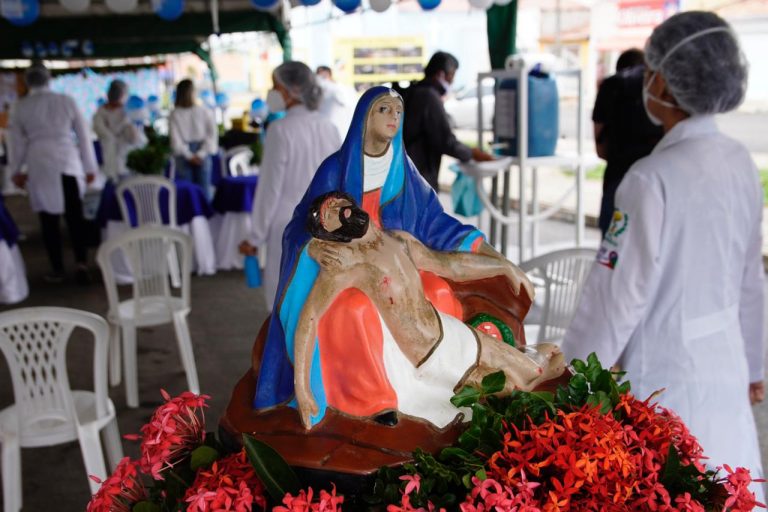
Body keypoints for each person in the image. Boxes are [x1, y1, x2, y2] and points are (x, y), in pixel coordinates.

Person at [562, 11, 764, 499]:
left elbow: (616, 298)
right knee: (731, 489)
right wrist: (757, 364)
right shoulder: (740, 162)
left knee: (669, 489)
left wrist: (570, 377)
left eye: (652, 71)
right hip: (726, 364)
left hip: (664, 373)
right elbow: (750, 278)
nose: (646, 81)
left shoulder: (649, 180)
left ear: (667, 86)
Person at [251, 86, 533, 427]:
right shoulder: (336, 169)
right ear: (365, 117)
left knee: (439, 290)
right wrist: (312, 246)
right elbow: (302, 225)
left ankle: (454, 382)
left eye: (398, 110)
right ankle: (373, 399)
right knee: (354, 310)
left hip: (398, 260)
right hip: (360, 267)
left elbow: (436, 224)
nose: (394, 117)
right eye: (384, 109)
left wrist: (497, 259)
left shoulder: (403, 171)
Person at [294, 191, 562, 429]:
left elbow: (451, 266)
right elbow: (309, 318)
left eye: (339, 202)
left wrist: (502, 266)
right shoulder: (347, 265)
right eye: (329, 213)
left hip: (449, 330)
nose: (339, 208)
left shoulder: (400, 240)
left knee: (529, 371)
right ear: (329, 232)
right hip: (431, 354)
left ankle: (535, 363)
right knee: (512, 388)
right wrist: (303, 390)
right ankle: (538, 372)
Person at [238, 61, 341, 312]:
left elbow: (269, 189)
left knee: (286, 303)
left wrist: (255, 237)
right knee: (319, 303)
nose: (272, 92)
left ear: (291, 90)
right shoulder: (329, 127)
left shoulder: (280, 129)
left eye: (276, 86)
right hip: (325, 224)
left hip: (287, 226)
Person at [6, 63, 99, 284]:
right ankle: (81, 263)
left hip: (39, 164)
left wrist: (16, 170)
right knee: (75, 217)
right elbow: (84, 136)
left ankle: (57, 268)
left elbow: (16, 143)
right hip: (68, 162)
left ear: (28, 81)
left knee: (48, 220)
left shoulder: (21, 106)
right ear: (49, 79)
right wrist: (89, 168)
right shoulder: (66, 101)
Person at [592, 48, 664, 236]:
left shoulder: (611, 87)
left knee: (613, 248)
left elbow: (600, 150)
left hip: (617, 182)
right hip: (659, 187)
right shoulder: (664, 91)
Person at [402, 51, 494, 191]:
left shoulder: (413, 91)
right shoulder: (429, 96)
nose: (452, 82)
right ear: (441, 74)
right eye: (452, 76)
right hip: (418, 176)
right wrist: (473, 154)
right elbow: (445, 140)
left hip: (406, 173)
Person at [169, 79, 218, 200]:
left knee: (188, 195)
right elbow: (212, 135)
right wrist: (200, 155)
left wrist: (191, 156)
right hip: (198, 153)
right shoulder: (204, 111)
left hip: (185, 154)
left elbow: (176, 141)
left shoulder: (175, 114)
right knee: (203, 193)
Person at [92, 80, 146, 180]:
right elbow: (104, 134)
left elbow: (136, 139)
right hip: (111, 162)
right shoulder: (101, 113)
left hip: (128, 161)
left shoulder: (128, 111)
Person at [315, 65, 356, 141]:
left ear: (330, 75)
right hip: (326, 129)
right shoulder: (318, 92)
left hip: (342, 128)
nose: (322, 79)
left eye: (324, 76)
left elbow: (346, 102)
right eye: (320, 76)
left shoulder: (342, 89)